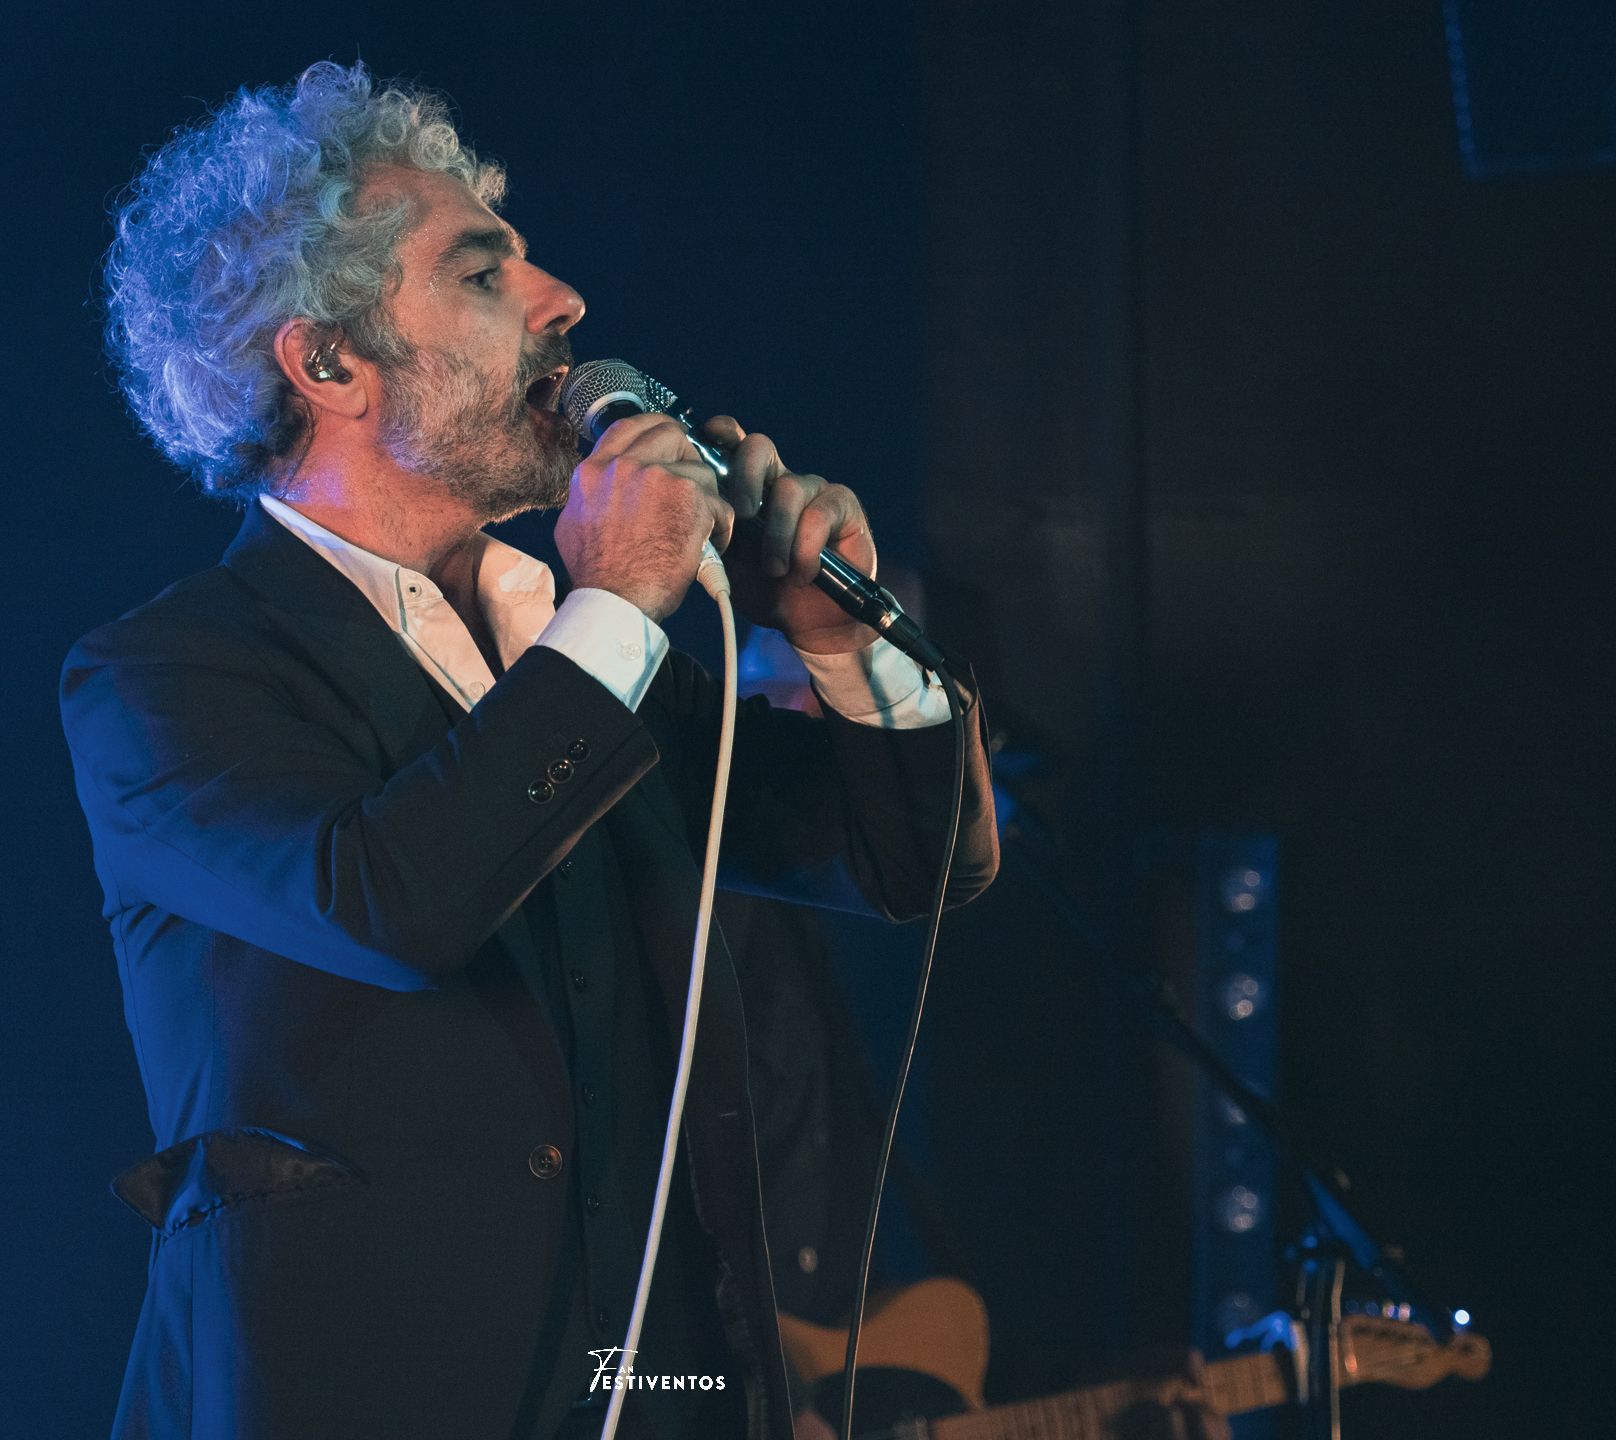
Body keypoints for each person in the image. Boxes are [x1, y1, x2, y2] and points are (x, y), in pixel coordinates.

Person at [61, 60, 997, 1440]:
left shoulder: (571, 639)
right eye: (485, 275)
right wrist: (617, 603)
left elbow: (909, 865)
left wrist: (837, 640)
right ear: (329, 363)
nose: (563, 301)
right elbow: (392, 901)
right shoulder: (167, 676)